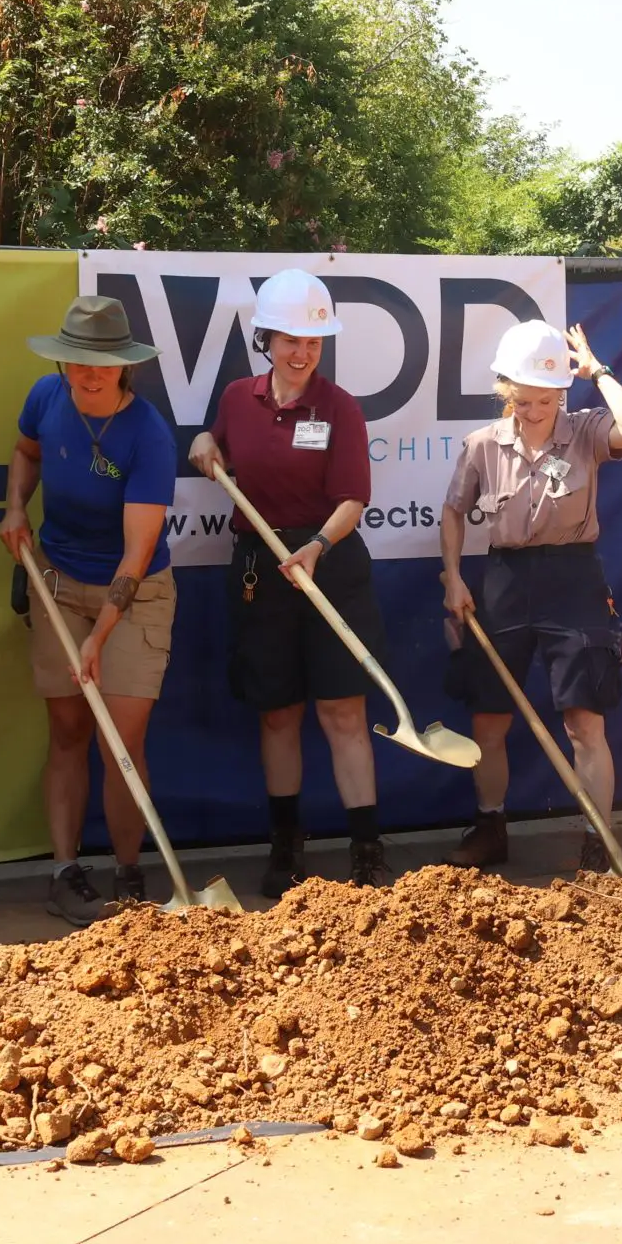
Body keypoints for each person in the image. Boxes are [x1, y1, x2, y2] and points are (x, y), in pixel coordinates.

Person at [188, 267, 390, 892]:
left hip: (330, 565)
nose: (302, 353)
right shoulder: (236, 398)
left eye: (313, 342)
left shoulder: (340, 407)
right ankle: (285, 849)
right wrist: (204, 440)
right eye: (290, 341)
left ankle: (367, 851)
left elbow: (353, 499)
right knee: (277, 714)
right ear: (266, 340)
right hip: (262, 569)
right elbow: (217, 444)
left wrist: (317, 547)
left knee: (342, 711)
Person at [440, 318, 622, 874]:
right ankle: (490, 827)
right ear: (505, 392)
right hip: (504, 582)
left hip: (573, 579)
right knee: (489, 717)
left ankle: (599, 842)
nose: (532, 412)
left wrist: (597, 371)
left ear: (561, 392)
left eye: (544, 400)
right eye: (521, 400)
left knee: (585, 722)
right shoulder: (482, 445)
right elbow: (453, 511)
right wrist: (453, 576)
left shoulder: (586, 431)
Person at [0, 295, 178, 923]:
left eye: (102, 363)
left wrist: (98, 637)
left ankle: (129, 874)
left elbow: (137, 554)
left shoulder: (149, 435)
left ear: (125, 366)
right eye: (77, 360)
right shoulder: (45, 398)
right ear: (61, 361)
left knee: (120, 740)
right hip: (56, 582)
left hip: (133, 594)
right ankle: (64, 871)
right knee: (68, 731)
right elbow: (26, 452)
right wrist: (15, 507)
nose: (89, 374)